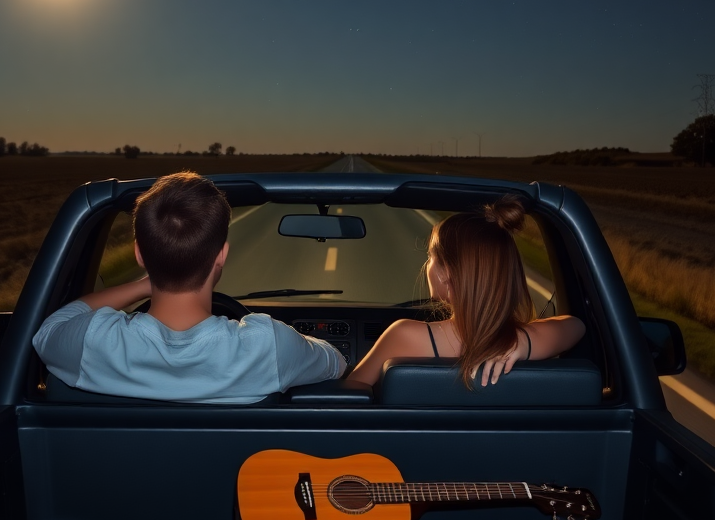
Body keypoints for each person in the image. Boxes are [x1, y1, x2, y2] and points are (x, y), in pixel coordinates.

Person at [33, 171, 345, 403]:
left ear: (139, 253)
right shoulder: (269, 345)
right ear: (221, 255)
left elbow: (50, 329)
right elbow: (336, 363)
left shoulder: (93, 343)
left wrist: (143, 287)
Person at [348, 196, 585, 388]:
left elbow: (351, 394)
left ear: (445, 272)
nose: (427, 265)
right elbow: (577, 326)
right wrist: (521, 343)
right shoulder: (522, 341)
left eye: (431, 257)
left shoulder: (404, 335)